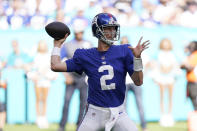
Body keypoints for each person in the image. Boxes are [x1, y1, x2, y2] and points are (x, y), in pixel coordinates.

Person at [50, 13, 149, 131]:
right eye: (108, 28)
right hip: (95, 112)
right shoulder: (85, 55)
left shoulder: (124, 50)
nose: (112, 32)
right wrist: (57, 45)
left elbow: (138, 81)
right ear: (97, 30)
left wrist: (137, 59)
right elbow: (55, 66)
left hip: (119, 113)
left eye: (114, 28)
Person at [57, 25, 92, 131]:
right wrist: (66, 75)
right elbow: (59, 61)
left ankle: (79, 126)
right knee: (67, 102)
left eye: (81, 32)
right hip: (71, 76)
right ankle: (62, 126)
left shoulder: (88, 44)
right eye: (77, 32)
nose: (79, 34)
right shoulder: (68, 45)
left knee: (83, 104)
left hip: (84, 77)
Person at [27, 40, 58, 128]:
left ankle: (44, 118)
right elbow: (33, 67)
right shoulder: (36, 56)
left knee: (44, 99)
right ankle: (38, 118)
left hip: (46, 79)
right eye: (40, 45)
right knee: (38, 99)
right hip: (38, 79)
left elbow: (50, 67)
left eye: (43, 45)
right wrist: (35, 75)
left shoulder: (49, 55)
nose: (42, 47)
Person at [120, 36, 147, 131]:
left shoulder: (135, 53)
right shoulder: (117, 55)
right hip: (124, 83)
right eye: (122, 42)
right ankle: (125, 126)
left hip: (134, 81)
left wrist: (137, 57)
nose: (124, 44)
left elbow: (141, 68)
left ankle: (144, 126)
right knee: (123, 106)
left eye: (126, 42)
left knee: (139, 104)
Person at [152, 38, 180, 127]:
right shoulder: (158, 54)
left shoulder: (172, 54)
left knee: (170, 97)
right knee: (162, 96)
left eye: (167, 43)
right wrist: (162, 69)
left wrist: (169, 69)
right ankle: (163, 116)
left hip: (170, 76)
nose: (165, 45)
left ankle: (170, 116)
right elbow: (154, 64)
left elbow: (175, 64)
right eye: (164, 43)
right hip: (161, 77)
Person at [181, 41, 197, 111]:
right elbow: (182, 65)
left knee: (195, 100)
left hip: (194, 82)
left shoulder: (195, 55)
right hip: (191, 82)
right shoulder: (189, 56)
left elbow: (190, 67)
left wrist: (185, 65)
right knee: (193, 100)